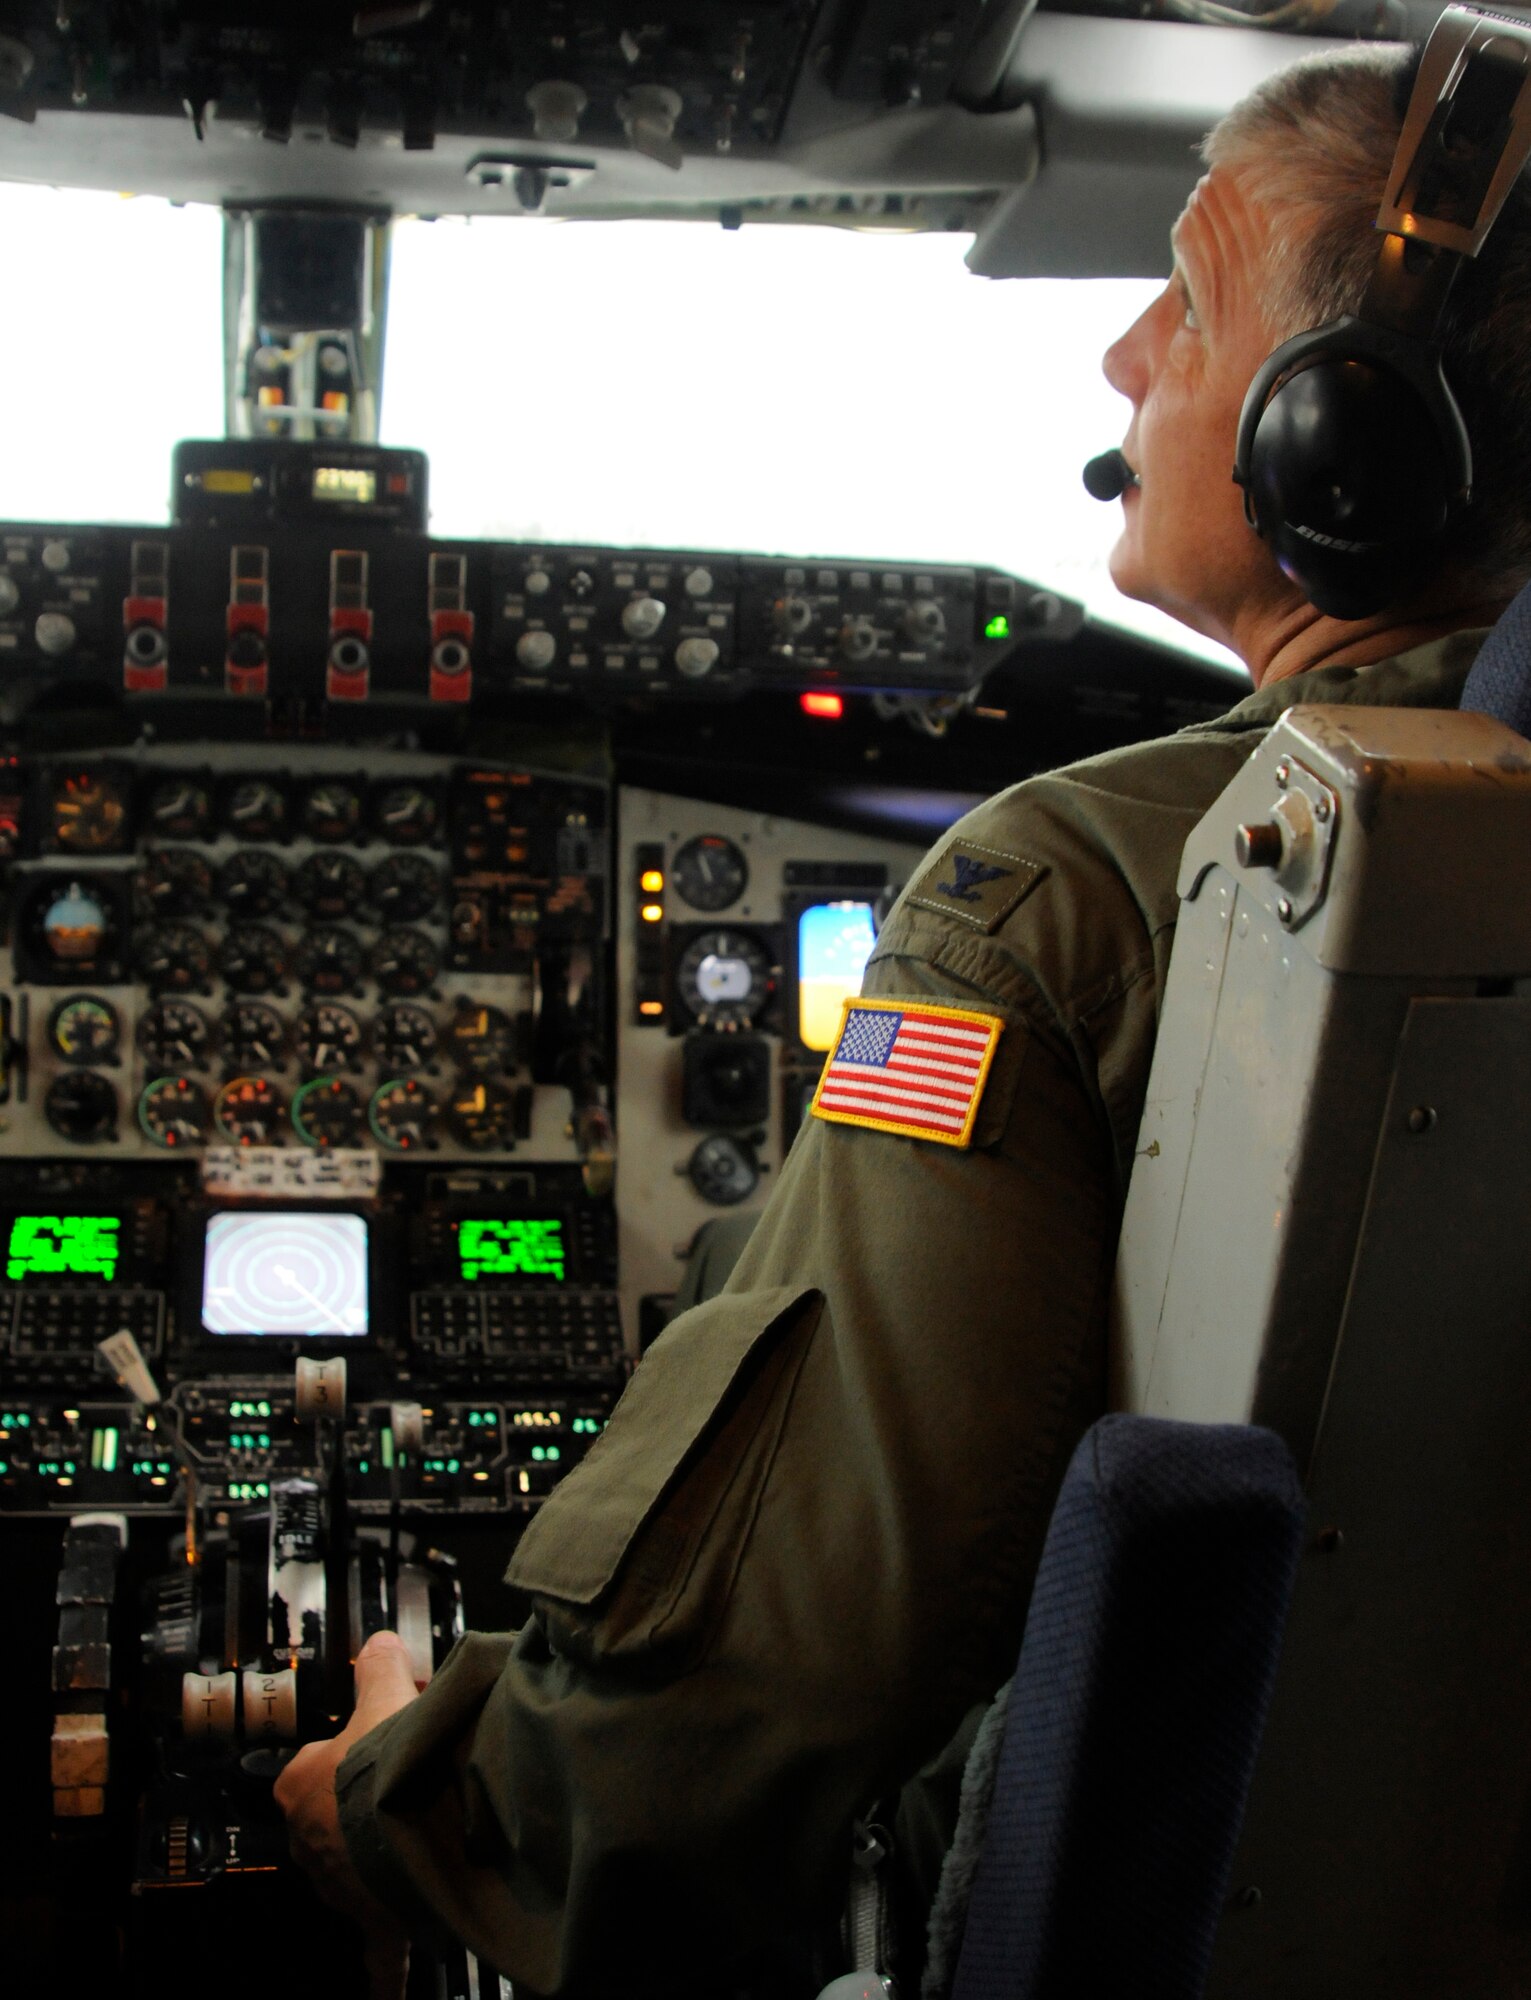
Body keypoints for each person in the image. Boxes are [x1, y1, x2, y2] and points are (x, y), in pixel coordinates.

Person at [276, 35, 1531, 1999]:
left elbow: (772, 1683)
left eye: (1188, 299)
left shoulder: (1063, 885)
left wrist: (417, 1799)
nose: (1126, 358)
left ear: (1341, 443)